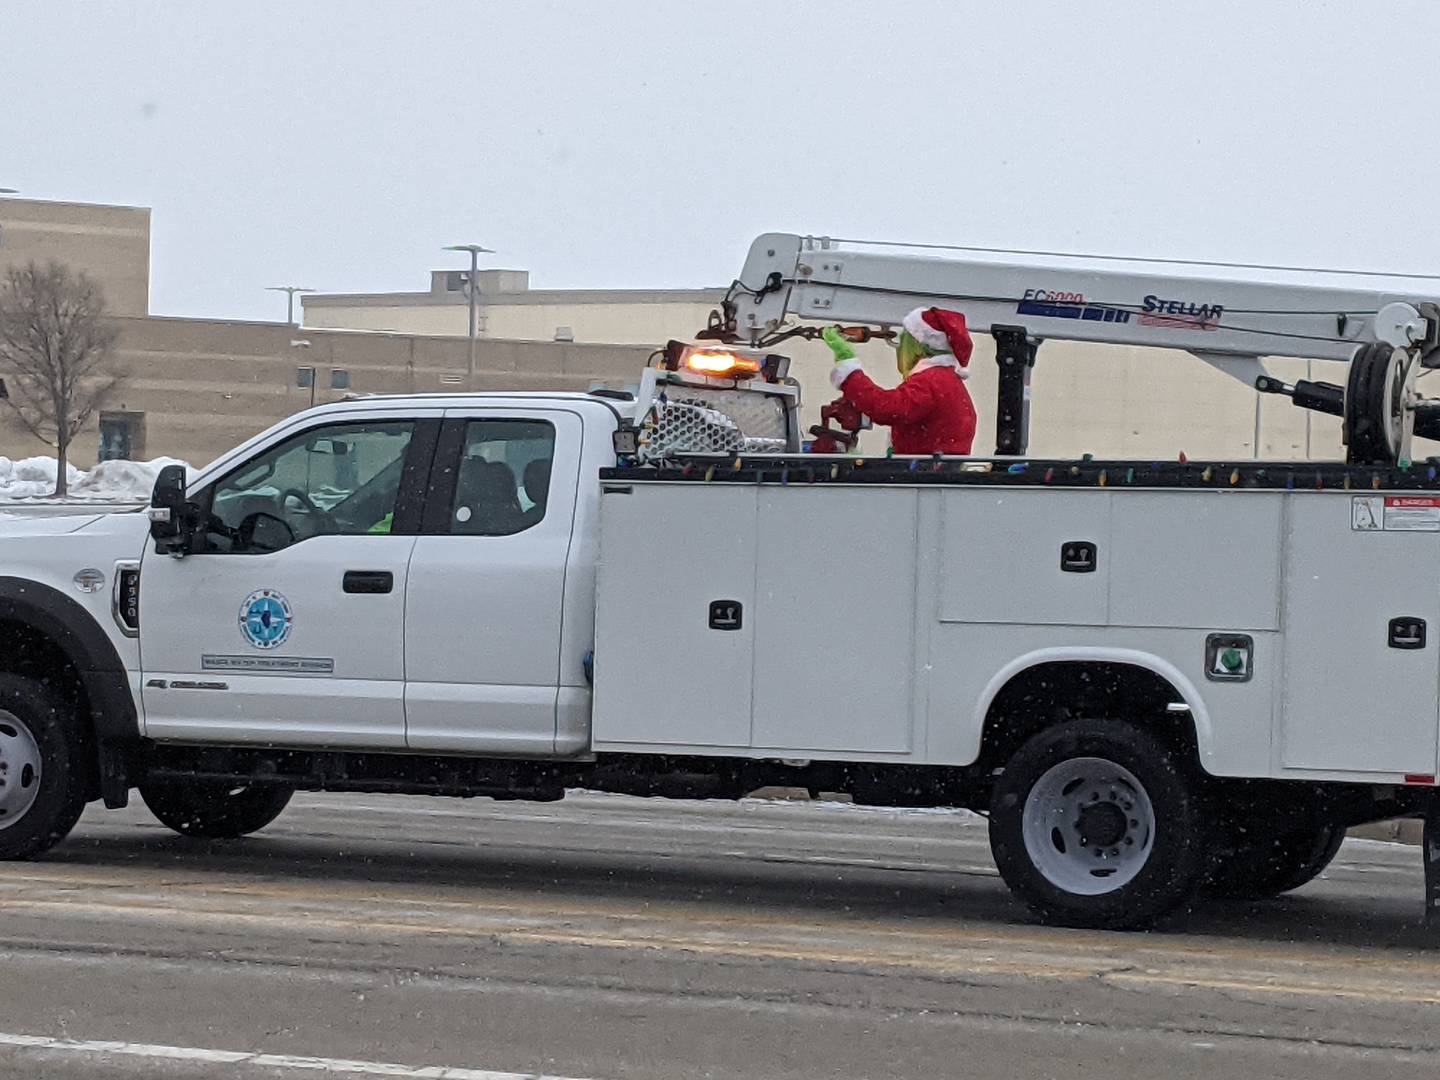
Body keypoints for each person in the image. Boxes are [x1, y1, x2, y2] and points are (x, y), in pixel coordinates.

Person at [821, 307, 977, 455]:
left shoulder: (931, 381)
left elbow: (887, 408)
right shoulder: (948, 380)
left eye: (904, 342)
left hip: (924, 474)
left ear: (918, 346)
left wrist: (849, 370)